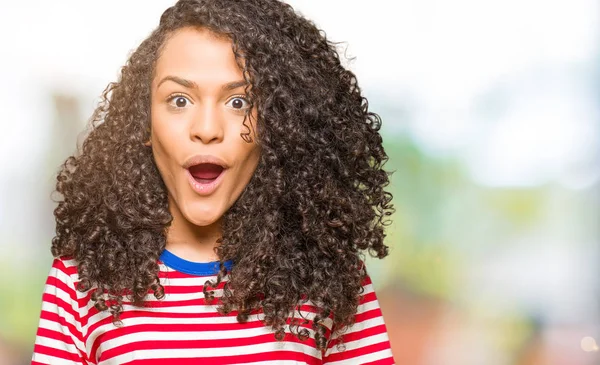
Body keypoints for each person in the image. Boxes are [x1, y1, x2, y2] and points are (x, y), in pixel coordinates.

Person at [31, 0, 396, 364]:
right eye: (179, 100)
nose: (206, 129)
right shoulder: (80, 281)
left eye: (238, 102)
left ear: (279, 124)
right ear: (144, 123)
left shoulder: (330, 276)